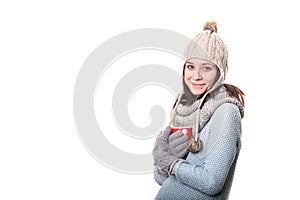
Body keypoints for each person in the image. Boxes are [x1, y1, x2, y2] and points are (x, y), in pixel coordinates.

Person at [152, 21, 245, 199]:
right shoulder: (185, 109)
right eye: (190, 66)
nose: (196, 76)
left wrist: (172, 164)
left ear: (219, 72)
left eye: (206, 68)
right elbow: (161, 178)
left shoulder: (226, 112)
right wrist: (163, 157)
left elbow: (211, 182)